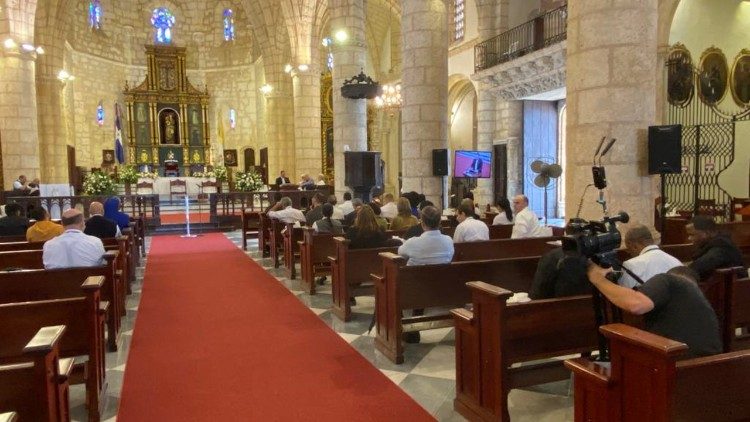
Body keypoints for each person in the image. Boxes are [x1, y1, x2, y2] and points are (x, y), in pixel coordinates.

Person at [587, 264, 721, 358]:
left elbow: (636, 305)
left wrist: (597, 278)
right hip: (706, 369)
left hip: (675, 369)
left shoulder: (670, 280)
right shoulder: (699, 301)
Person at [618, 225, 682, 289]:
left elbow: (624, 294)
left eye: (628, 249)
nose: (628, 252)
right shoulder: (676, 262)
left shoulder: (631, 265)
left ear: (634, 246)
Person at [687, 215, 747, 280]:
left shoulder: (722, 247)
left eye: (692, 235)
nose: (689, 238)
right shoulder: (710, 244)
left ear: (707, 233)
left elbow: (699, 266)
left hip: (731, 288)